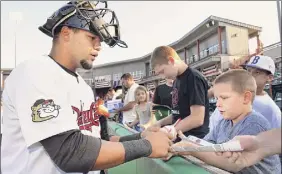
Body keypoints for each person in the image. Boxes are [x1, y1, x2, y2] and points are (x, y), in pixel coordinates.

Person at [1, 1, 172, 174]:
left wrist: (140, 136)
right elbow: (69, 152)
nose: (98, 46)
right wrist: (146, 146)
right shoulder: (35, 70)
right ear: (66, 33)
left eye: (100, 40)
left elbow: (99, 140)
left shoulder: (82, 86)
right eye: (92, 38)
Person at [172, 69, 281, 173]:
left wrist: (191, 149)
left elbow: (233, 164)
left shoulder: (253, 123)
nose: (218, 104)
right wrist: (187, 142)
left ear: (246, 98)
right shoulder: (224, 123)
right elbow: (207, 145)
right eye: (217, 98)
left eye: (224, 98)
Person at [150, 46, 210, 140]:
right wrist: (159, 123)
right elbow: (177, 114)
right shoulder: (176, 80)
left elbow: (197, 118)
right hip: (179, 137)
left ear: (171, 61)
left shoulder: (193, 78)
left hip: (193, 140)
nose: (162, 77)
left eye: (162, 71)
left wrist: (169, 131)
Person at [209, 55, 281, 131]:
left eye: (257, 72)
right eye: (248, 70)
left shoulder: (271, 109)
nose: (250, 75)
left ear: (269, 77)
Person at [215, 128, 281, 170]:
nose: (217, 104)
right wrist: (259, 145)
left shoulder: (253, 124)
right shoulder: (224, 121)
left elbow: (234, 167)